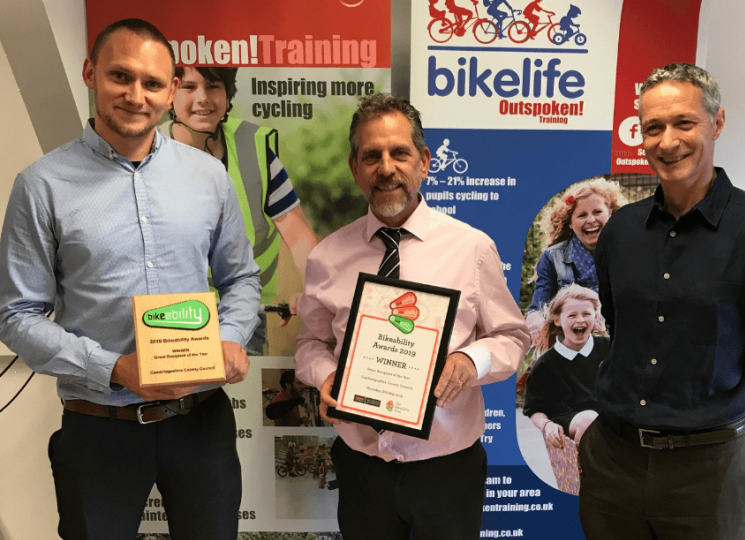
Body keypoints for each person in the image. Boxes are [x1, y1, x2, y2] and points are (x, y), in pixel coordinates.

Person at [0, 19, 261, 540]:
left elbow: (242, 279)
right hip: (100, 426)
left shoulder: (208, 177)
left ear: (170, 93)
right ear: (90, 73)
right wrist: (115, 367)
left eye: (153, 83)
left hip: (200, 421)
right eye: (121, 76)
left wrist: (230, 337)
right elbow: (15, 314)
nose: (136, 95)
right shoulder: (41, 186)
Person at [579, 63, 745, 539]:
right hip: (614, 465)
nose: (667, 141)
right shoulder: (620, 231)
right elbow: (621, 325)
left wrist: (727, 442)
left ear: (717, 123)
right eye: (653, 128)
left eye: (683, 123)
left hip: (711, 477)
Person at [295, 93, 530, 539]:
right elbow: (310, 343)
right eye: (371, 156)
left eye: (399, 153)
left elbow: (512, 338)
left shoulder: (471, 247)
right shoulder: (327, 257)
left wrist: (469, 362)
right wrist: (327, 374)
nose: (386, 168)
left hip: (448, 469)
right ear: (354, 167)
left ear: (423, 161)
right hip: (363, 466)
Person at [161, 66, 318, 354]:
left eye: (213, 86)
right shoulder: (146, 151)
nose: (203, 98)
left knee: (242, 397)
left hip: (244, 315)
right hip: (170, 319)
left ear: (228, 93)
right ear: (170, 93)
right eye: (189, 87)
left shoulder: (254, 146)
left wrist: (320, 293)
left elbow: (299, 237)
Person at [523, 284, 607, 495]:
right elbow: (534, 409)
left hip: (610, 419)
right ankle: (592, 481)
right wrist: (547, 425)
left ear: (595, 317)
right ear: (558, 320)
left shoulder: (609, 348)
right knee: (589, 419)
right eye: (572, 315)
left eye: (586, 313)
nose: (580, 319)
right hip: (571, 422)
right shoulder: (546, 364)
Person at [525, 178, 627, 347]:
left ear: (610, 214)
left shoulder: (629, 251)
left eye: (597, 212)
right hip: (570, 345)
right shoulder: (552, 258)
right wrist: (536, 323)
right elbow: (538, 308)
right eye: (582, 215)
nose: (591, 220)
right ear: (570, 223)